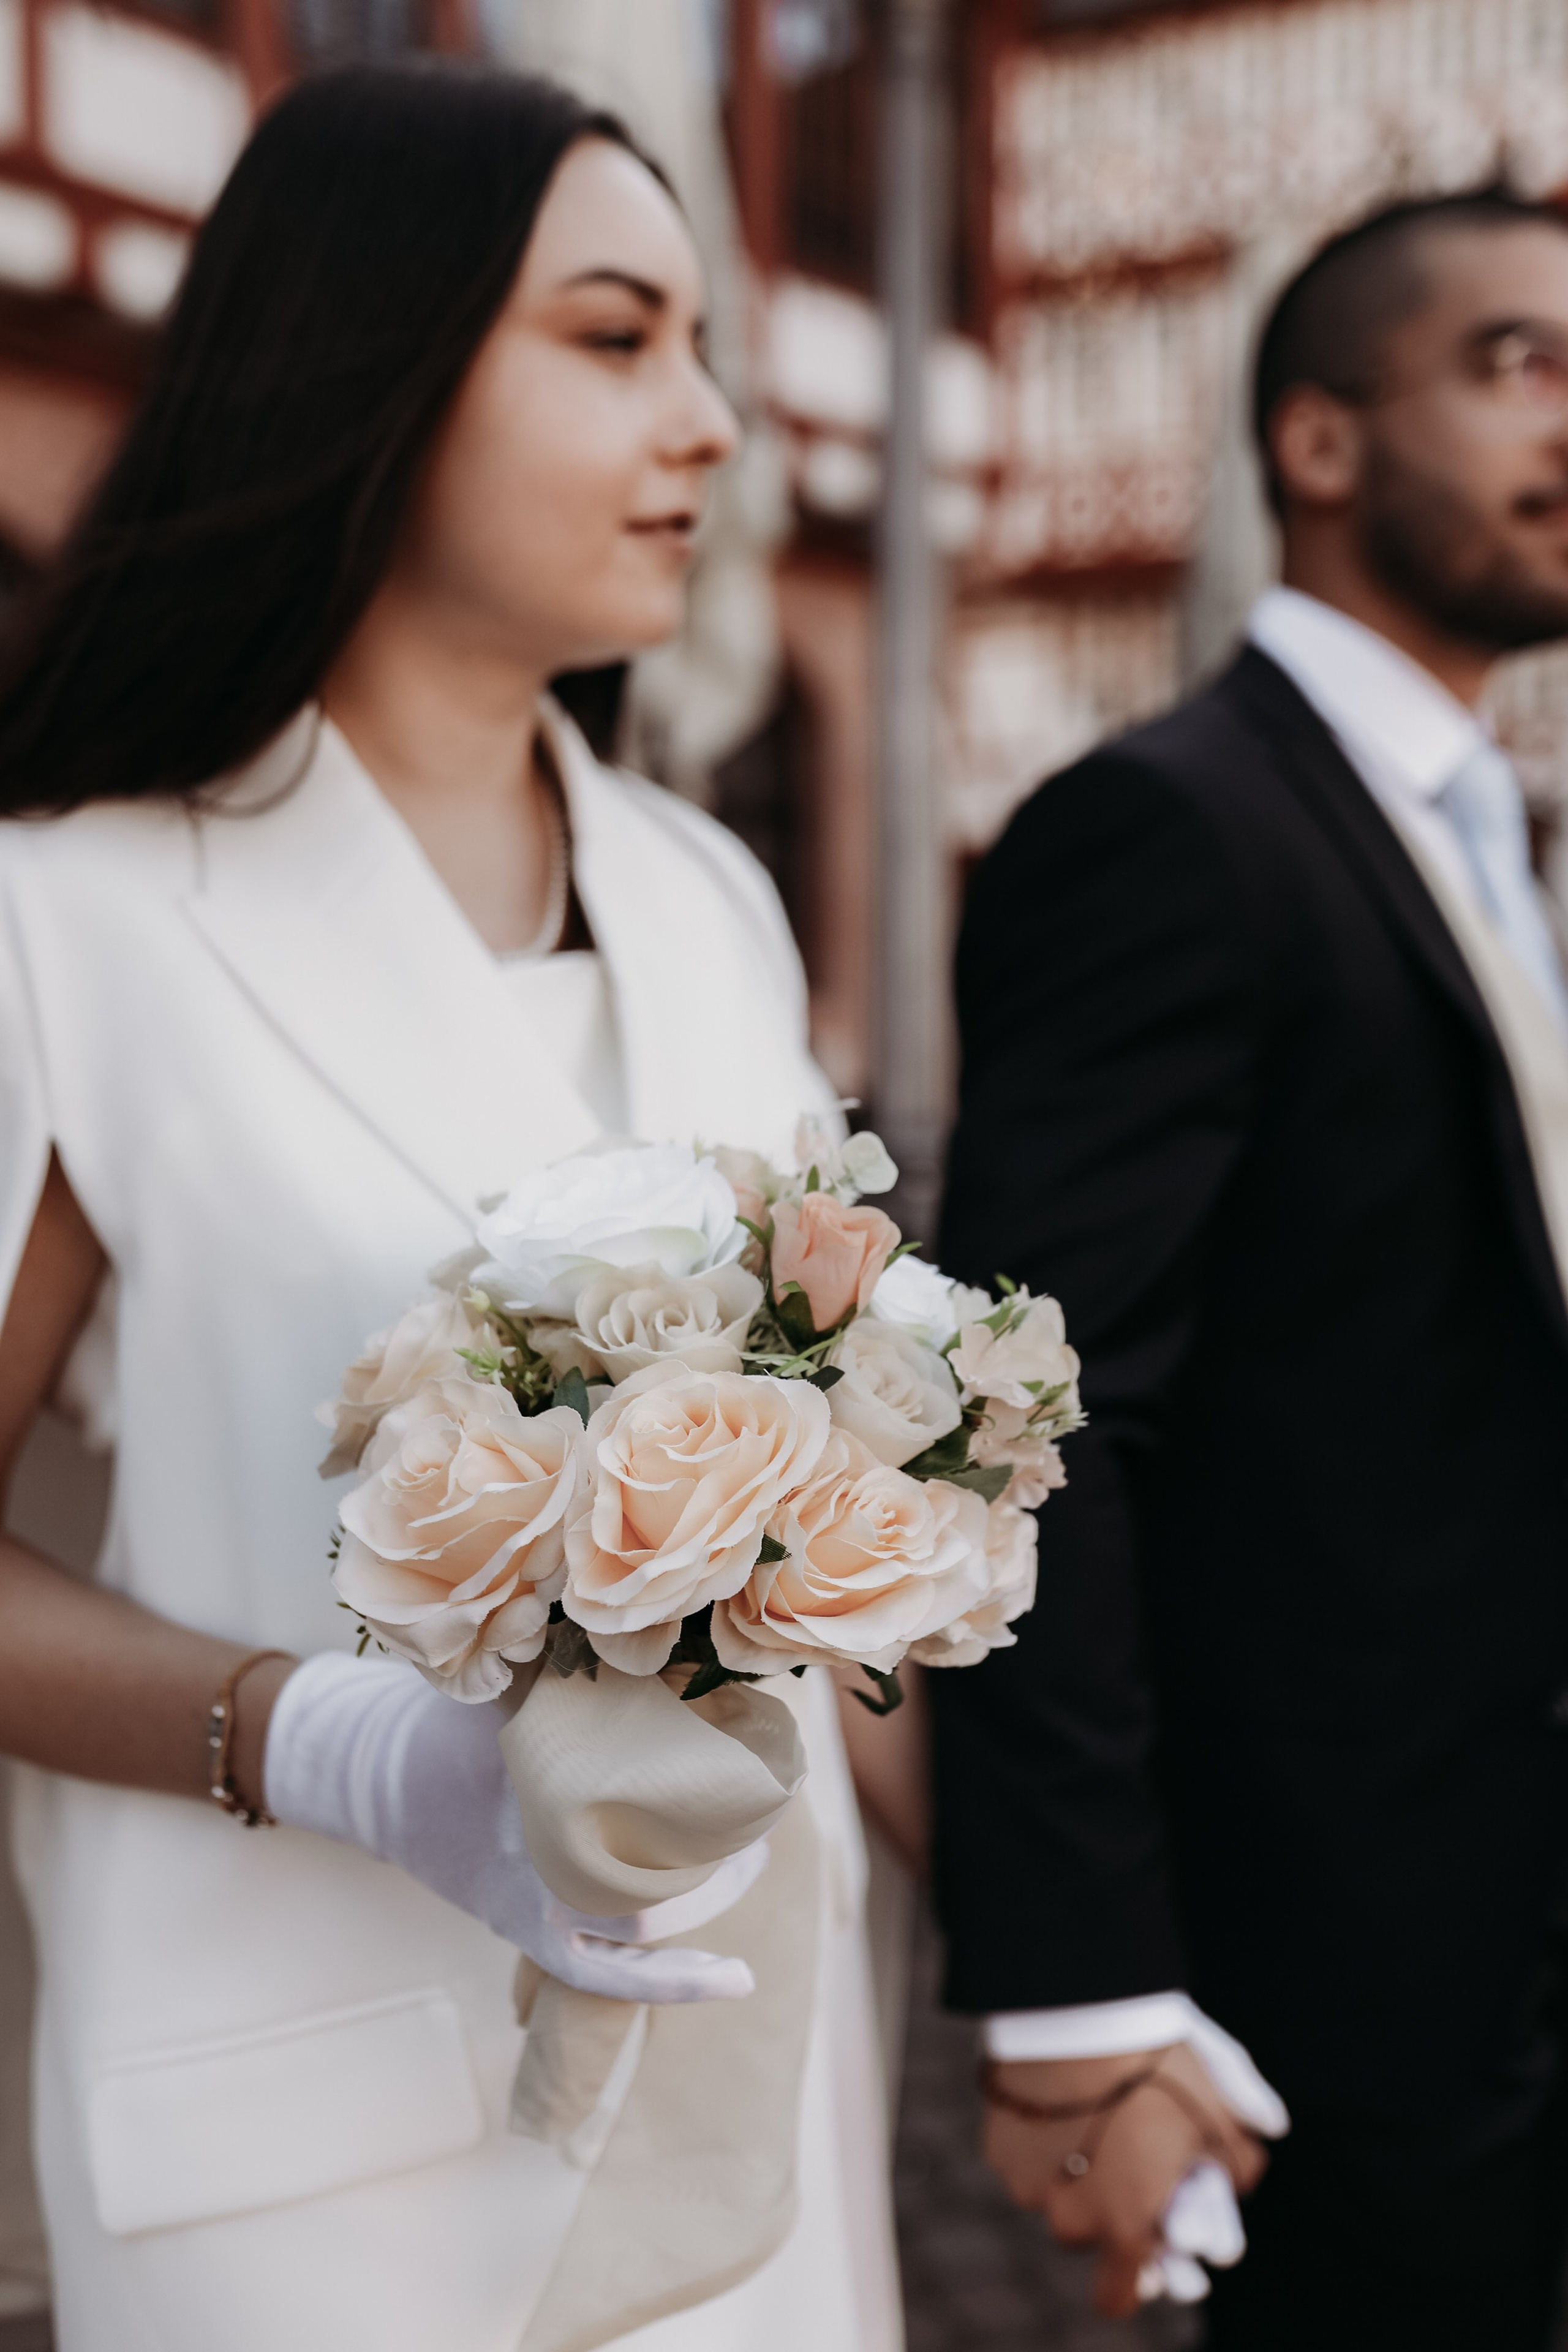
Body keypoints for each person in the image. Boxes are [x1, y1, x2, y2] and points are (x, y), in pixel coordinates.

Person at [0, 64, 902, 2352]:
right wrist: (335, 1743)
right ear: (369, 360)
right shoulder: (66, 921)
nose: (708, 426)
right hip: (312, 2165)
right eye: (614, 339)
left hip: (754, 2113)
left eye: (705, 346)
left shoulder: (708, 899)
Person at [932, 185, 1568, 2352]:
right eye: (1519, 362)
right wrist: (1081, 1987)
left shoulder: (1483, 832)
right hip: (1338, 1942)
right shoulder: (1171, 828)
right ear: (1317, 439)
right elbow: (1037, 1415)